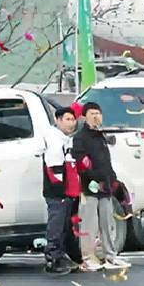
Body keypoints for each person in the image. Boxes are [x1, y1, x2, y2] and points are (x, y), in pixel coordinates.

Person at [75, 102, 126, 272]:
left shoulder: (101, 136)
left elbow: (106, 162)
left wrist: (112, 179)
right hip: (89, 186)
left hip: (106, 186)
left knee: (107, 221)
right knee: (89, 223)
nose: (96, 117)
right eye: (92, 114)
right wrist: (94, 178)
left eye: (98, 113)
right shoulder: (80, 137)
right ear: (84, 117)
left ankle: (110, 256)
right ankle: (88, 257)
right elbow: (81, 164)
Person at [42, 103, 84, 274]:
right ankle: (53, 258)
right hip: (57, 191)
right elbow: (54, 168)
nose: (71, 123)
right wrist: (60, 191)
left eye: (73, 119)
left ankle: (65, 256)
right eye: (67, 119)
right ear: (57, 120)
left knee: (66, 226)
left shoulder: (67, 139)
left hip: (68, 191)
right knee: (56, 225)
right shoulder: (54, 140)